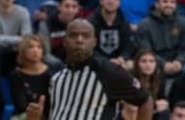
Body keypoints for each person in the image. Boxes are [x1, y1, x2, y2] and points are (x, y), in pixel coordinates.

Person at [24, 19, 153, 120]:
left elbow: (145, 101)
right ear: (65, 41)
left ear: (94, 42)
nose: (79, 40)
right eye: (74, 35)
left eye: (86, 36)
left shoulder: (109, 72)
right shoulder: (56, 77)